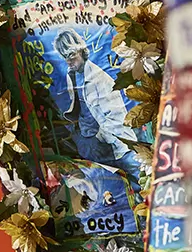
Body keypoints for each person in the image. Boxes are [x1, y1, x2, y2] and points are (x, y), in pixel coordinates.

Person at [53, 28, 141, 178]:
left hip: (116, 145)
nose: (69, 61)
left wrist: (97, 139)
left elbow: (116, 117)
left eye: (71, 55)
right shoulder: (72, 75)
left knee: (139, 183)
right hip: (94, 147)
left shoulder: (100, 78)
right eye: (65, 57)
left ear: (80, 50)